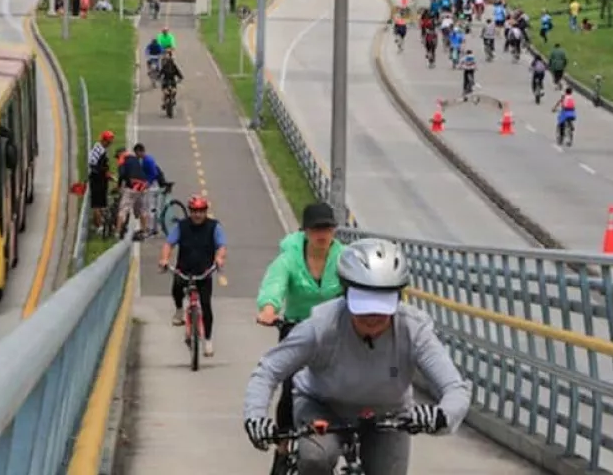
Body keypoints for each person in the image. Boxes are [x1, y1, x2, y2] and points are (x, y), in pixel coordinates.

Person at [243, 239, 471, 475]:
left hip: (389, 415)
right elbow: (269, 369)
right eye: (363, 307)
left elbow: (455, 388)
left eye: (382, 308)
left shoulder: (413, 329)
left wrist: (442, 416)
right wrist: (255, 417)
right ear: (346, 294)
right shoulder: (322, 325)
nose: (372, 317)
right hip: (323, 407)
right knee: (316, 458)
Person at [255, 204, 346, 454]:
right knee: (290, 386)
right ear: (305, 231)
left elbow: (359, 285)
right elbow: (275, 283)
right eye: (316, 228)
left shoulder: (344, 259)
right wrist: (269, 308)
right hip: (296, 328)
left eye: (327, 228)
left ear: (334, 231)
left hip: (335, 331)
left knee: (346, 382)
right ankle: (283, 446)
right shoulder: (290, 258)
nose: (322, 234)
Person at [157, 195, 227, 357]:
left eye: (201, 211)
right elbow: (169, 244)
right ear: (190, 212)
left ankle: (208, 340)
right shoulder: (182, 226)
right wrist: (165, 259)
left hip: (204, 272)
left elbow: (221, 246)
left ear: (205, 211)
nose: (197, 215)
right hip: (184, 270)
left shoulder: (214, 227)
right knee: (176, 288)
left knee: (206, 305)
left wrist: (219, 258)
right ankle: (179, 310)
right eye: (194, 211)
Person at [87, 130, 115, 234]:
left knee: (97, 204)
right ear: (104, 140)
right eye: (109, 142)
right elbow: (100, 168)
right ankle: (99, 226)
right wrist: (108, 175)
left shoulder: (96, 147)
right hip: (98, 181)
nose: (110, 144)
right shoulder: (101, 152)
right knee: (97, 205)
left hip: (96, 179)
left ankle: (96, 225)